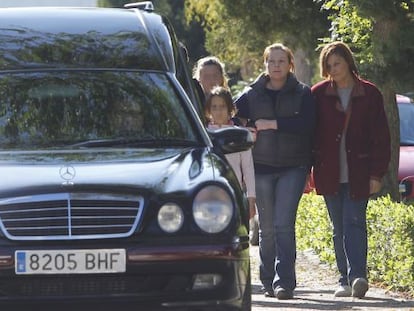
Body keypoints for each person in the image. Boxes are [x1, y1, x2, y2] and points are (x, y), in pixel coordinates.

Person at [234, 43, 315, 299]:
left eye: (281, 61)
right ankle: (267, 279)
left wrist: (273, 124)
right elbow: (232, 117)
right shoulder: (251, 94)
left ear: (290, 64)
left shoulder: (303, 93)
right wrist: (244, 128)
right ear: (265, 65)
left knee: (283, 225)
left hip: (293, 166)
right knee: (266, 229)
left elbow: (308, 124)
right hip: (260, 168)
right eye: (272, 61)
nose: (276, 65)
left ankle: (285, 282)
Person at [311, 41, 391, 298]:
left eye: (337, 63)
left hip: (359, 170)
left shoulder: (370, 93)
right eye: (329, 65)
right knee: (338, 227)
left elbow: (381, 137)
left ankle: (358, 276)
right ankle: (343, 279)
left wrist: (377, 174)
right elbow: (311, 135)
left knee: (355, 222)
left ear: (348, 62)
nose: (333, 69)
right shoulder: (319, 94)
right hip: (329, 171)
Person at [205, 86, 256, 219]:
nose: (218, 111)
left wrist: (251, 199)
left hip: (234, 193)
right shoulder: (203, 134)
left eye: (222, 106)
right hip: (208, 194)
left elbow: (248, 167)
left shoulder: (239, 134)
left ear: (230, 109)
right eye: (214, 107)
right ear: (208, 110)